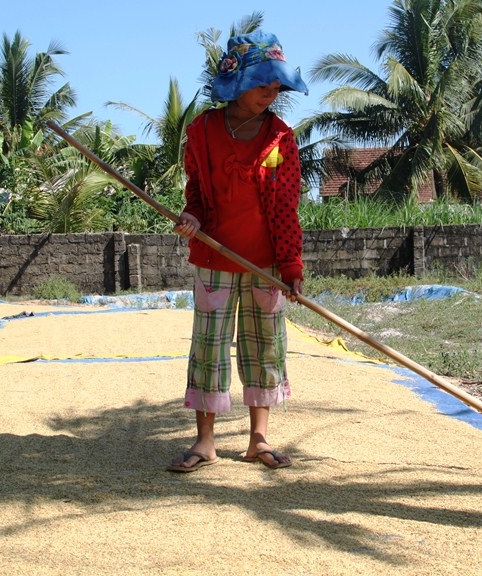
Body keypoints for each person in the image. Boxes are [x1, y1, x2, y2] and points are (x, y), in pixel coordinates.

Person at [168, 30, 308, 473]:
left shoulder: (281, 138)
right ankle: (205, 441)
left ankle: (258, 440)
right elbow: (197, 193)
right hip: (213, 259)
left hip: (265, 264)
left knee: (264, 346)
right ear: (238, 81)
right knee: (208, 347)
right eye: (263, 85)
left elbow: (287, 208)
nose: (271, 94)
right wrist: (191, 219)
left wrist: (291, 265)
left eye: (276, 87)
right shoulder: (203, 131)